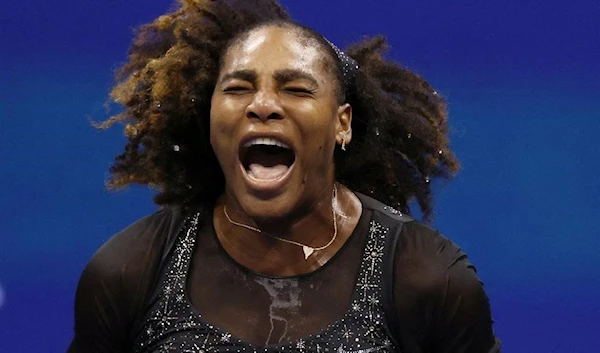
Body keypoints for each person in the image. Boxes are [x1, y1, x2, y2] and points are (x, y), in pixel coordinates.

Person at [68, 0, 501, 352]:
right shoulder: (128, 274)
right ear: (209, 117)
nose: (262, 105)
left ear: (342, 123)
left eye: (296, 89)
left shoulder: (428, 281)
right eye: (238, 89)